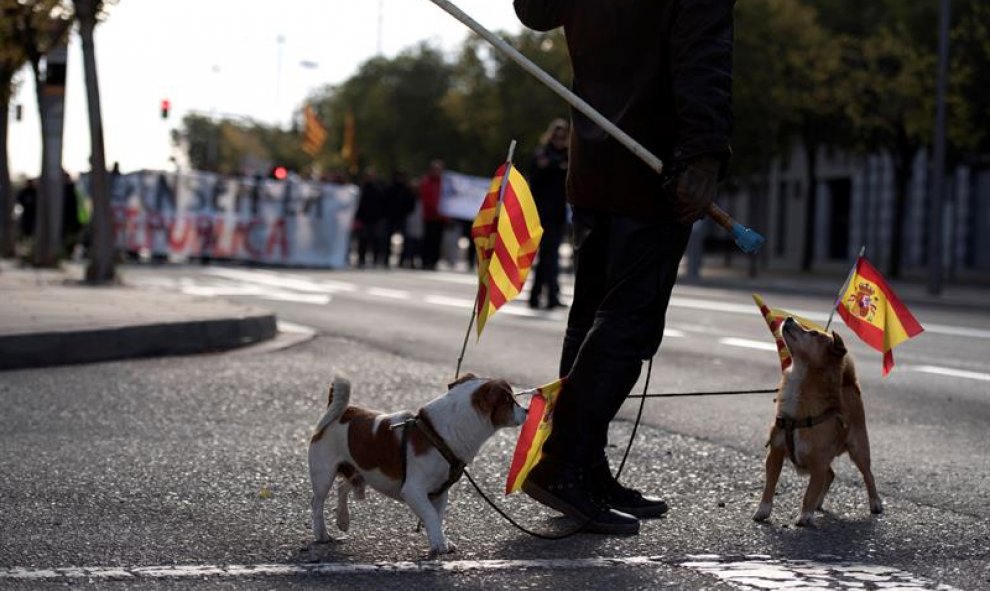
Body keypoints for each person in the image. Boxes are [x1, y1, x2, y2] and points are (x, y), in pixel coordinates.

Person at [513, 1, 734, 534]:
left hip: (595, 166)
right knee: (625, 325)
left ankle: (584, 465)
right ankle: (565, 462)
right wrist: (703, 152)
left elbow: (534, 10)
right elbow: (703, 56)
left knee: (591, 320)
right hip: (655, 169)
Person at [528, 118, 570, 309]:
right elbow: (535, 178)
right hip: (542, 213)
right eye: (557, 135)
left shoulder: (569, 157)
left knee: (550, 256)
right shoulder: (542, 153)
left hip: (558, 213)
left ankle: (540, 295)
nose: (560, 140)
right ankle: (546, 295)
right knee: (548, 256)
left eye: (564, 136)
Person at [354, 167, 386, 267]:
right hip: (364, 218)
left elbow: (382, 203)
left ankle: (376, 259)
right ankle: (361, 259)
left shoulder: (379, 188)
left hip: (376, 218)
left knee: (376, 240)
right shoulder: (362, 188)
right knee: (363, 240)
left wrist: (381, 216)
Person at [418, 159, 445, 270]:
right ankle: (425, 261)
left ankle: (434, 261)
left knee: (437, 241)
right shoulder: (426, 182)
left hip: (440, 218)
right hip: (429, 216)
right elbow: (426, 199)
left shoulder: (444, 183)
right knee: (428, 239)